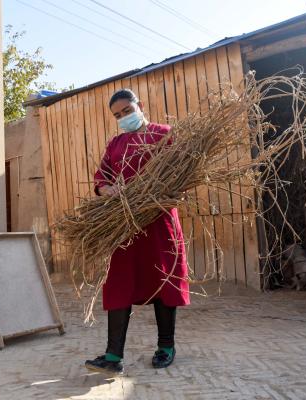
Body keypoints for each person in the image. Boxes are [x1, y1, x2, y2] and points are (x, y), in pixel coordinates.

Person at [84, 89, 190, 376]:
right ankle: (113, 355)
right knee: (119, 281)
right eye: (117, 115)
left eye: (127, 111)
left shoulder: (165, 134)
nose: (123, 118)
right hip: (125, 224)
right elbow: (102, 175)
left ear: (139, 106)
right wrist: (105, 188)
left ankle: (166, 347)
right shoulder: (116, 144)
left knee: (163, 279)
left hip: (160, 221)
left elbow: (184, 171)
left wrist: (162, 195)